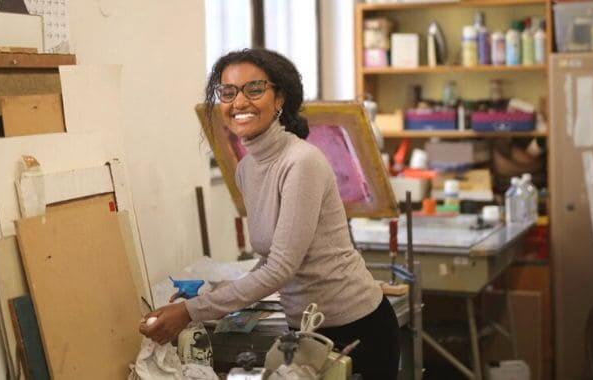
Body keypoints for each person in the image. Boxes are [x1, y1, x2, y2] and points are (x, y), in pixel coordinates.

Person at [140, 48, 400, 379]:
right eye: (228, 92)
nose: (239, 102)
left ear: (279, 99)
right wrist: (214, 293)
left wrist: (191, 311)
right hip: (304, 331)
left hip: (357, 329)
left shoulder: (301, 162)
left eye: (255, 89)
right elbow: (270, 258)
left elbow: (280, 268)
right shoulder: (247, 169)